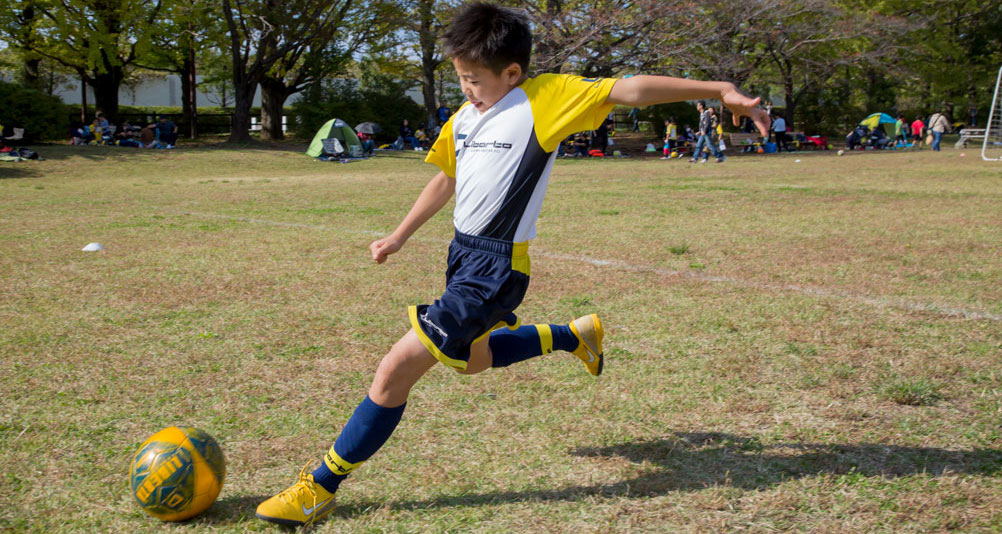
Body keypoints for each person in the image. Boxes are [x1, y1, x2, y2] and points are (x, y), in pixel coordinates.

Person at [253, 2, 769, 527]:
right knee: (472, 361)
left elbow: (628, 88)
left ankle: (319, 486)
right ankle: (572, 335)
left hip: (496, 270)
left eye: (474, 79)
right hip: (462, 257)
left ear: (513, 72)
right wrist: (399, 235)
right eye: (460, 78)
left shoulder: (544, 99)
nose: (466, 89)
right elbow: (445, 180)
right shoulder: (463, 117)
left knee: (394, 371)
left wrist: (717, 87)